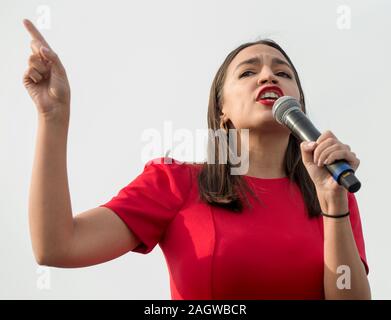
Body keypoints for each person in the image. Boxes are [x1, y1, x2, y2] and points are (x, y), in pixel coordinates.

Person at [23, 18, 371, 300]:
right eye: (248, 72)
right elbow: (57, 246)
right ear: (222, 110)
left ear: (298, 102)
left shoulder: (333, 193)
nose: (268, 76)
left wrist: (333, 203)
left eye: (283, 73)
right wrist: (53, 118)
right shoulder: (174, 182)